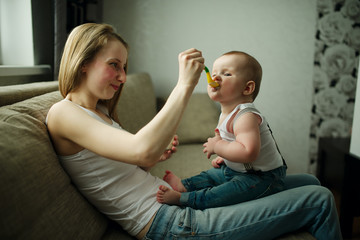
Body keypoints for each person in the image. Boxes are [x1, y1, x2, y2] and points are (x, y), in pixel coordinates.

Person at [46, 23, 342, 240]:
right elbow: (140, 149)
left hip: (167, 205)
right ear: (83, 63)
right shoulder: (63, 113)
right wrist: (185, 84)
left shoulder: (99, 114)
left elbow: (136, 162)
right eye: (115, 65)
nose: (123, 77)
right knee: (321, 199)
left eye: (124, 67)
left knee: (312, 181)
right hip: (172, 223)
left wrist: (155, 157)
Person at [156, 51, 287, 210]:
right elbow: (232, 141)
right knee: (211, 175)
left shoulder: (246, 116)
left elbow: (248, 152)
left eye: (226, 74)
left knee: (222, 193)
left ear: (247, 88)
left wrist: (218, 147)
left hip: (262, 177)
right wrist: (225, 157)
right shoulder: (226, 112)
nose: (216, 77)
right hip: (241, 170)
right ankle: (184, 185)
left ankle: (184, 198)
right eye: (215, 72)